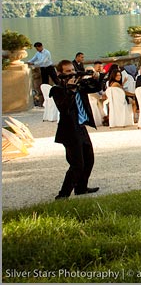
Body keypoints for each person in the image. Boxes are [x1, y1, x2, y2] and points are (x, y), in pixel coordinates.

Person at [49, 60, 101, 199]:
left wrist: (96, 77)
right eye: (67, 71)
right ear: (59, 73)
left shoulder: (80, 85)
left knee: (89, 159)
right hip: (69, 130)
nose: (71, 73)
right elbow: (64, 108)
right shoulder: (57, 90)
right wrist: (71, 90)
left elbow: (95, 88)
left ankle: (81, 188)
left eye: (72, 70)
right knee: (77, 164)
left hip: (81, 127)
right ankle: (63, 195)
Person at [26, 42, 59, 106]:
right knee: (44, 82)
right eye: (36, 48)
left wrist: (33, 64)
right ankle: (46, 96)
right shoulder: (37, 53)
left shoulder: (47, 52)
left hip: (49, 67)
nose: (37, 49)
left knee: (55, 80)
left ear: (41, 46)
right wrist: (28, 62)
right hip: (43, 69)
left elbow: (43, 61)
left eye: (37, 48)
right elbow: (33, 59)